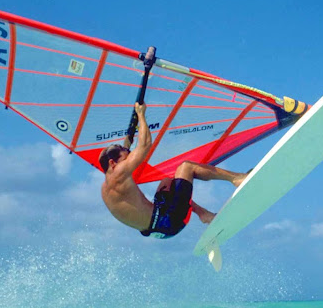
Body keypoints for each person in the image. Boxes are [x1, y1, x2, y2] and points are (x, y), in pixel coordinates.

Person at [99, 102, 247, 239]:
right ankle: (236, 178)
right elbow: (144, 145)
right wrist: (141, 114)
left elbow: (126, 156)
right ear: (113, 163)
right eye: (126, 154)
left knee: (169, 180)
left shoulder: (108, 185)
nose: (129, 156)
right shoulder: (119, 173)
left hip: (155, 228)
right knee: (186, 167)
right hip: (168, 221)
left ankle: (204, 215)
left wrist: (128, 141)